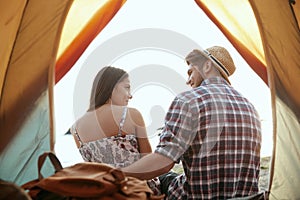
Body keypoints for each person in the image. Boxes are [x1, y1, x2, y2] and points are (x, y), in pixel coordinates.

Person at [121, 46, 262, 199]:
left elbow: (162, 162)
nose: (188, 81)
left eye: (190, 72)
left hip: (197, 196)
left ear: (207, 65)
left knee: (159, 180)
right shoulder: (250, 107)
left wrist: (117, 174)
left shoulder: (189, 101)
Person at [69, 66, 160, 194]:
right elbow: (148, 165)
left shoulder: (75, 129)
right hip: (139, 192)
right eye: (127, 87)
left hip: (107, 195)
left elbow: (93, 172)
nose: (130, 95)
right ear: (111, 87)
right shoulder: (131, 114)